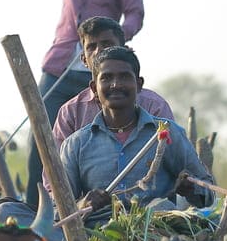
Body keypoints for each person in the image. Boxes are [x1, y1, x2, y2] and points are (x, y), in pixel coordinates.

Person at [22, 0, 144, 207]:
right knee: (43, 139)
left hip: (103, 70)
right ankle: (38, 210)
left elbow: (135, 14)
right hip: (61, 67)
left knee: (95, 139)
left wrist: (115, 42)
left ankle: (90, 208)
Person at [60, 46, 213, 227]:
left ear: (139, 84)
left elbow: (208, 196)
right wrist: (82, 205)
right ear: (94, 87)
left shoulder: (165, 133)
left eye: (124, 77)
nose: (115, 84)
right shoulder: (76, 145)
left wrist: (191, 189)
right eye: (106, 78)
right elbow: (57, 212)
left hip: (157, 237)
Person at [52, 17, 174, 145]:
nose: (99, 51)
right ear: (83, 59)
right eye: (91, 47)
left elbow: (173, 157)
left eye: (107, 44)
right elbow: (58, 164)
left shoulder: (154, 106)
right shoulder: (71, 112)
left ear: (125, 51)